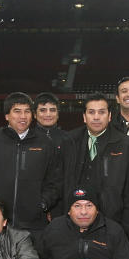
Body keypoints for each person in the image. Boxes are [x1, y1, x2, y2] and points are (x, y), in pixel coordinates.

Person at [0, 92, 62, 246]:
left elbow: (55, 180)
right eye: (17, 111)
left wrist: (42, 203)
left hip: (33, 225)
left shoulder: (45, 144)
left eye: (27, 111)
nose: (22, 116)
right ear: (7, 116)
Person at [68, 93, 129, 234]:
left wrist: (126, 229)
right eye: (91, 112)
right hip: (75, 224)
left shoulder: (126, 144)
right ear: (84, 117)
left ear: (109, 116)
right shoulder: (70, 141)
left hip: (113, 224)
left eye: (101, 112)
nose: (96, 117)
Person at [41, 188, 129, 259]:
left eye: (89, 205)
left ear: (97, 210)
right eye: (77, 206)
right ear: (69, 211)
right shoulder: (54, 229)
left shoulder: (113, 231)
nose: (83, 212)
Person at [34, 92, 76, 221]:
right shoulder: (28, 139)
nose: (48, 114)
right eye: (43, 110)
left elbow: (69, 176)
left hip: (62, 207)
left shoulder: (68, 139)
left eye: (52, 110)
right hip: (34, 204)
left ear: (58, 114)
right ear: (35, 114)